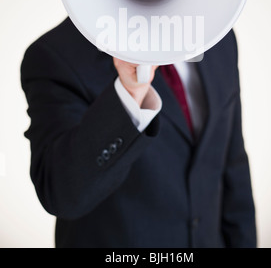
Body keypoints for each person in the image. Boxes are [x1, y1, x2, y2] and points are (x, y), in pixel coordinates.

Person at [20, 17, 256, 248]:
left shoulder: (217, 37)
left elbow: (232, 164)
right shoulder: (55, 55)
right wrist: (129, 95)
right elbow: (62, 194)